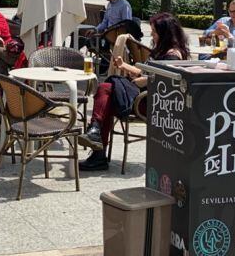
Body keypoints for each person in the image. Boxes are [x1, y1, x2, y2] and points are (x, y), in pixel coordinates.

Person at [80, 13, 189, 171]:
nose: (151, 34)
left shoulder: (173, 56)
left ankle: (97, 142)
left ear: (165, 33)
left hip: (149, 102)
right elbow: (142, 71)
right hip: (139, 95)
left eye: (154, 31)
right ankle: (97, 142)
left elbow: (165, 81)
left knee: (108, 88)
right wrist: (123, 65)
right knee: (107, 93)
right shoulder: (162, 49)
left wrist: (145, 81)